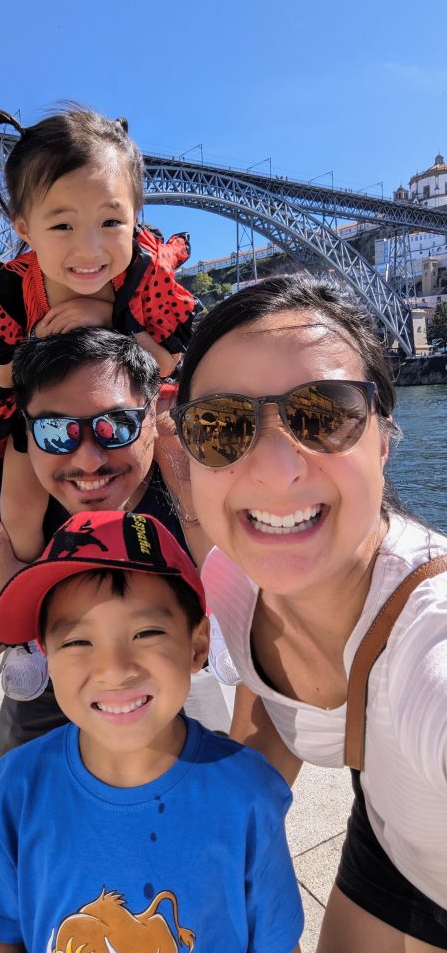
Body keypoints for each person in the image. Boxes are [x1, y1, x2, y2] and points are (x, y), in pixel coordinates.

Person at [170, 273, 447, 952]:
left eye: (323, 415)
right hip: (389, 837)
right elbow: (265, 708)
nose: (275, 471)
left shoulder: (430, 651)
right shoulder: (233, 578)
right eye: (222, 427)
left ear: (383, 437)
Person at [0, 509, 303, 953]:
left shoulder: (250, 794)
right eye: (78, 641)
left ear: (198, 646)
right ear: (46, 656)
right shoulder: (18, 788)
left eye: (147, 632)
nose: (115, 670)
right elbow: (4, 937)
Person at [0, 104, 200, 562]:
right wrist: (34, 346)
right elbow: (3, 379)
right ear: (26, 228)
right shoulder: (6, 289)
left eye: (111, 222)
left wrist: (100, 313)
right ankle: (30, 583)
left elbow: (165, 362)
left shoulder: (144, 276)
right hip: (44, 418)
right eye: (62, 225)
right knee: (20, 503)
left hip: (133, 408)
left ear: (136, 217)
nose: (89, 247)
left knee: (188, 479)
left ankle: (210, 577)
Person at [0, 329, 226, 761]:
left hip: (184, 678)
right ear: (26, 434)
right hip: (49, 693)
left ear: (154, 415)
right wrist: (1, 618)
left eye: (116, 426)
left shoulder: (202, 483)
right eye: (54, 431)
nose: (88, 461)